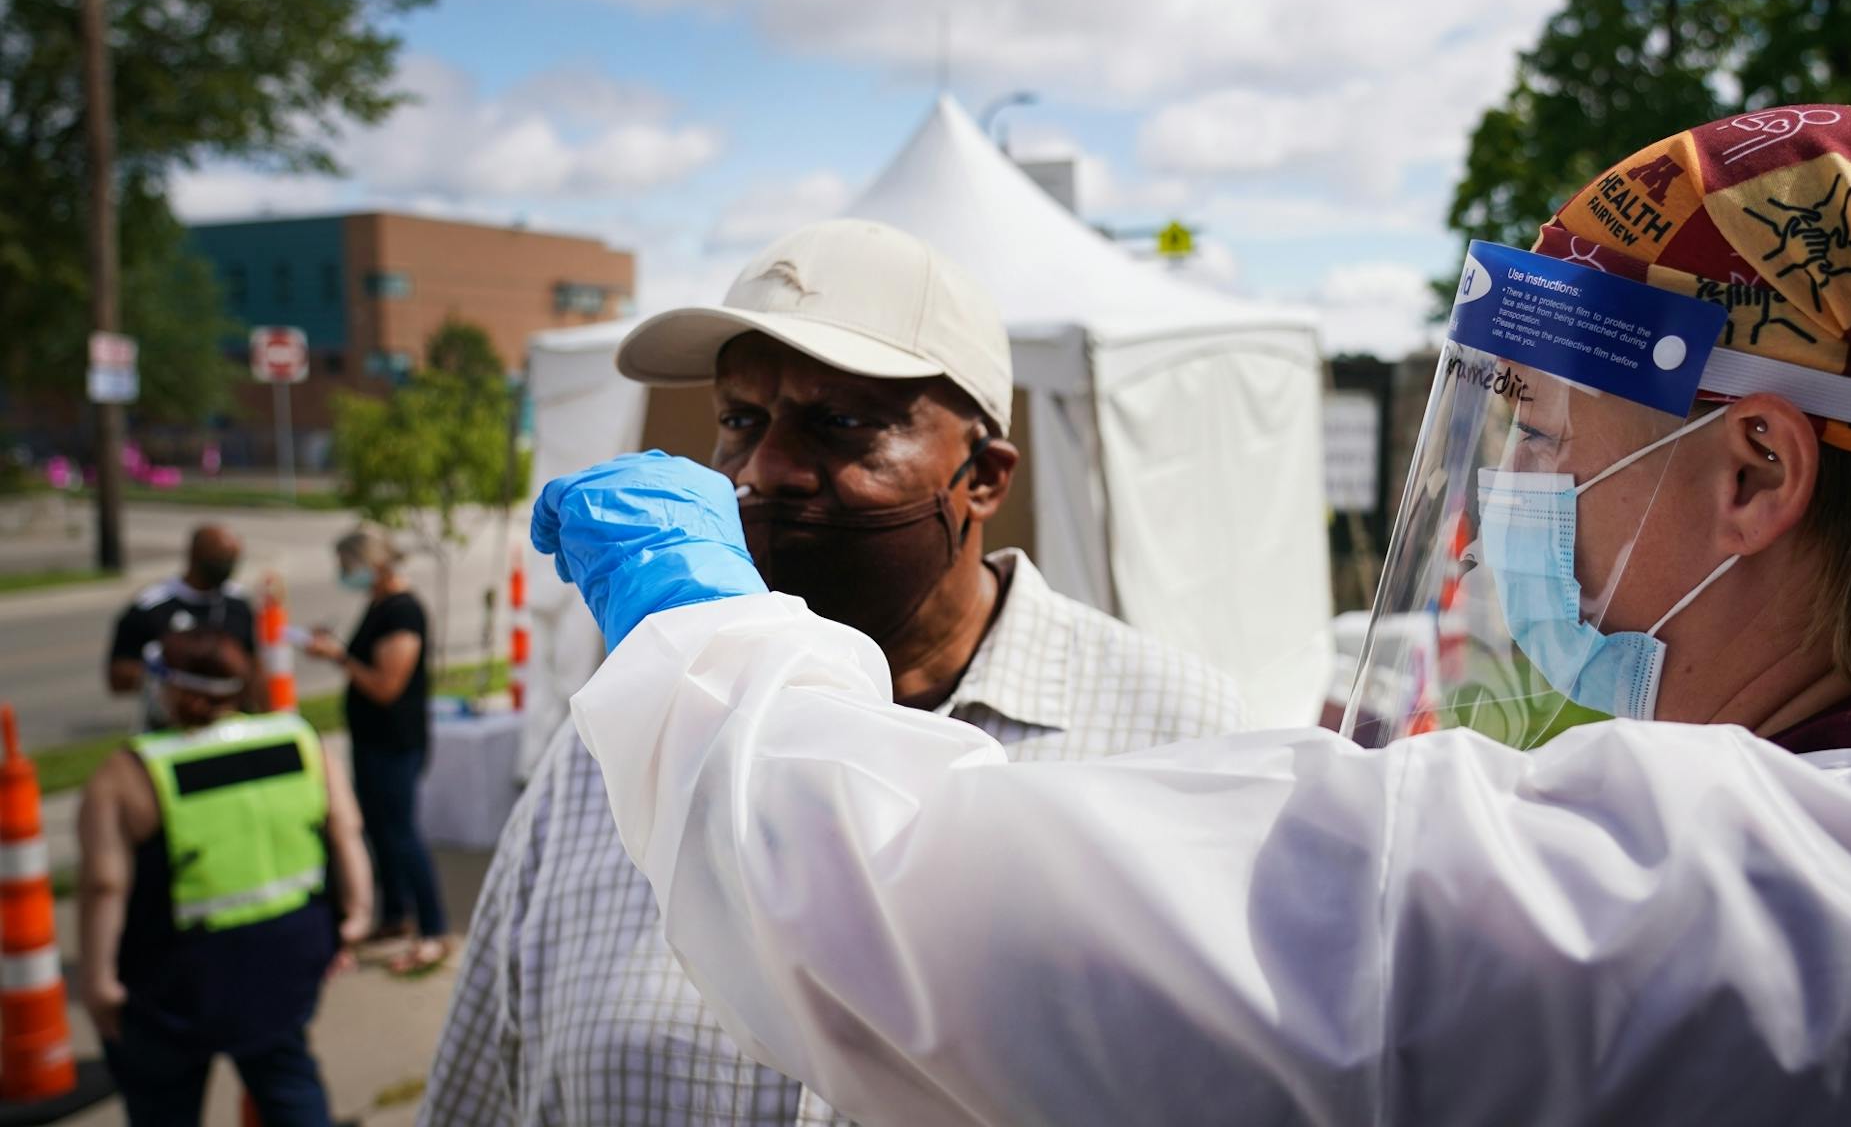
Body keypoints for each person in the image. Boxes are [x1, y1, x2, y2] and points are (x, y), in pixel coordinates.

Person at [539, 107, 1851, 1123]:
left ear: (1752, 472)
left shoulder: (1700, 901)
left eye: (1539, 438)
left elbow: (869, 905)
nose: (1510, 506)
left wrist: (696, 628)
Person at [420, 219, 1245, 1126]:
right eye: (740, 421)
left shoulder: (1172, 730)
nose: (766, 470)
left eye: (842, 422)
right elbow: (479, 1094)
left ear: (985, 478)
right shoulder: (635, 728)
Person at [75, 607, 371, 1126]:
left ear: (175, 690)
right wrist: (355, 917)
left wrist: (98, 983)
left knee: (164, 1101)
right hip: (287, 958)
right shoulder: (298, 739)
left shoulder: (131, 772)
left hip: (177, 979)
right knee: (286, 1078)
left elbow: (104, 885)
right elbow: (346, 832)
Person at [304, 524, 447, 976]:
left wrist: (339, 658)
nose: (344, 575)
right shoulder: (379, 604)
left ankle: (433, 929)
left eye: (349, 567)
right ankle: (395, 914)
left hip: (395, 743)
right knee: (382, 833)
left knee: (402, 835)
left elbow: (387, 685)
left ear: (375, 564)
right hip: (372, 741)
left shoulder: (403, 611)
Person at [108, 524, 259, 727]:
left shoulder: (238, 603)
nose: (227, 566)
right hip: (172, 728)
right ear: (196, 555)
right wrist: (172, 678)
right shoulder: (150, 607)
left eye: (232, 559)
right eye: (220, 558)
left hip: (233, 727)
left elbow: (255, 666)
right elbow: (118, 677)